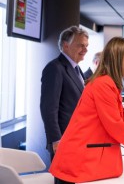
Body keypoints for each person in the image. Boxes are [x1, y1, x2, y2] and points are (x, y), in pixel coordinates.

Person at [49, 37, 124, 183]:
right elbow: (116, 126)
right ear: (118, 58)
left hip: (85, 161)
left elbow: (121, 119)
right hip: (78, 163)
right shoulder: (103, 85)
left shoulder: (109, 83)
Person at [40, 25, 89, 161]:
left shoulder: (77, 69)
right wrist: (56, 139)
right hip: (63, 140)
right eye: (81, 45)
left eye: (86, 46)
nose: (85, 50)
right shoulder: (54, 68)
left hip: (79, 138)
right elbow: (48, 108)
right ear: (65, 45)